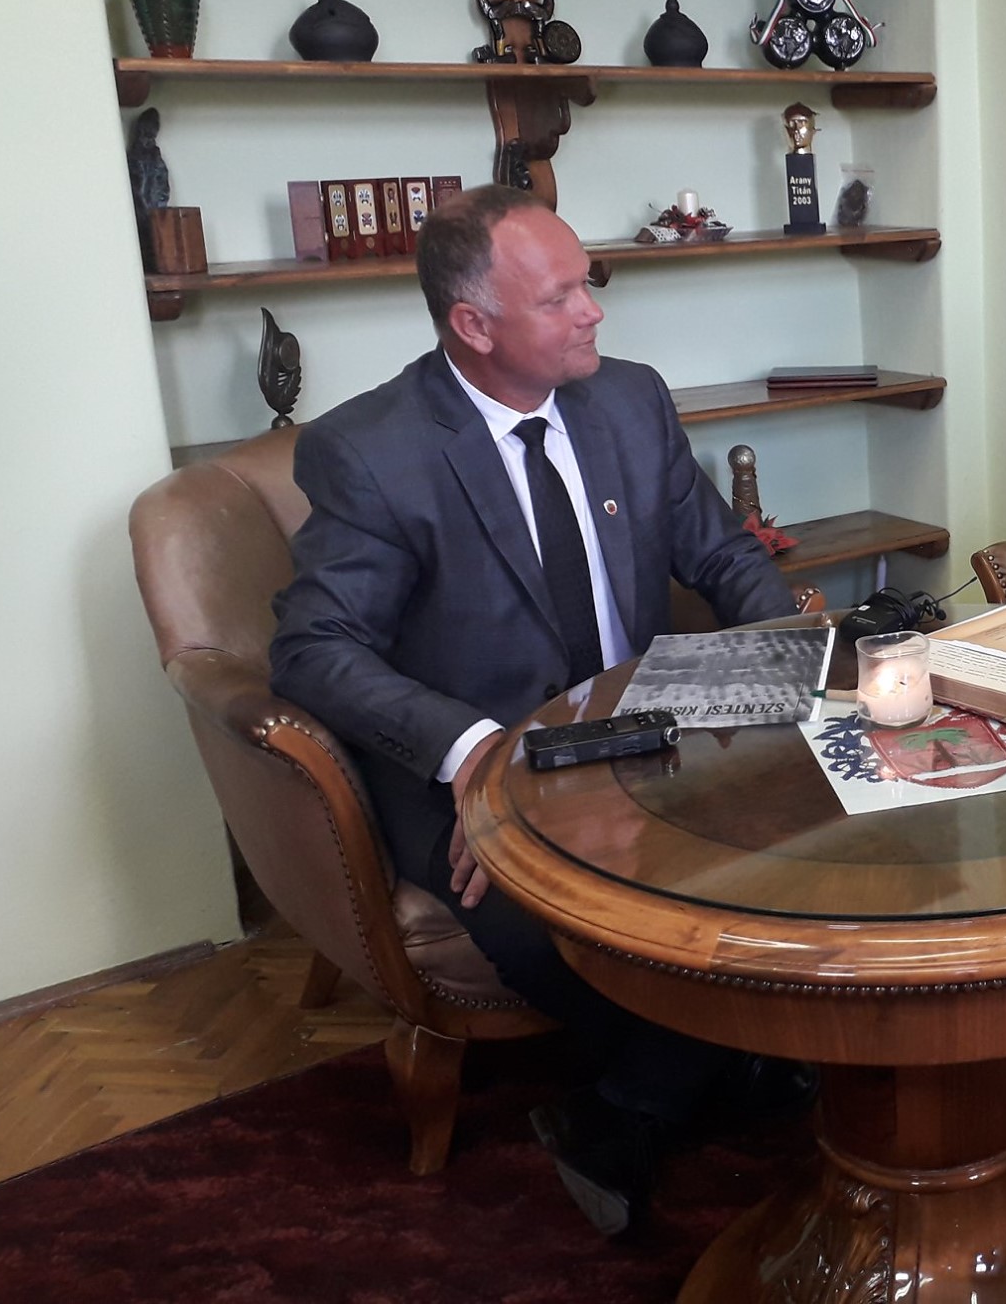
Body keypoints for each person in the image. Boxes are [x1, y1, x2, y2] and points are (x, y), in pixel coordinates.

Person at [270, 184, 803, 1238]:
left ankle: (631, 1109)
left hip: (644, 730)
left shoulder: (630, 399)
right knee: (547, 929)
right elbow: (311, 648)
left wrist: (790, 652)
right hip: (474, 762)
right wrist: (474, 750)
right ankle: (731, 1071)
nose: (593, 310)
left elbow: (722, 555)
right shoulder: (371, 450)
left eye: (586, 284)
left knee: (808, 841)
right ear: (475, 326)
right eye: (559, 298)